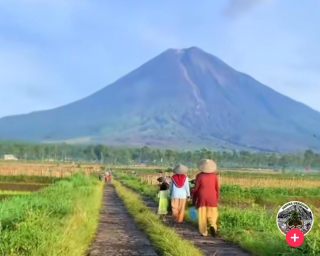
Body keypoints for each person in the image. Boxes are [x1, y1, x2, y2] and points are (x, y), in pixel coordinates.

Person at [192, 159, 219, 237]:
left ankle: (204, 232)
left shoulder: (199, 176)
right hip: (212, 197)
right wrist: (217, 197)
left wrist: (194, 198)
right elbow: (217, 188)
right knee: (213, 213)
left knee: (202, 215)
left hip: (202, 196)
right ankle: (213, 225)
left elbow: (196, 188)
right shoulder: (214, 176)